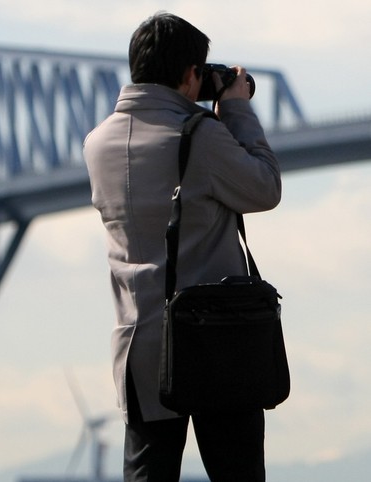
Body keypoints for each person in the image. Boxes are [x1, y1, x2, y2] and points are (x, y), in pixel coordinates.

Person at [82, 12, 281, 482]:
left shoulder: (97, 144)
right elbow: (265, 187)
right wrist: (234, 108)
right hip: (217, 342)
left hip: (142, 347)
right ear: (191, 75)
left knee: (148, 474)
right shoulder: (201, 135)